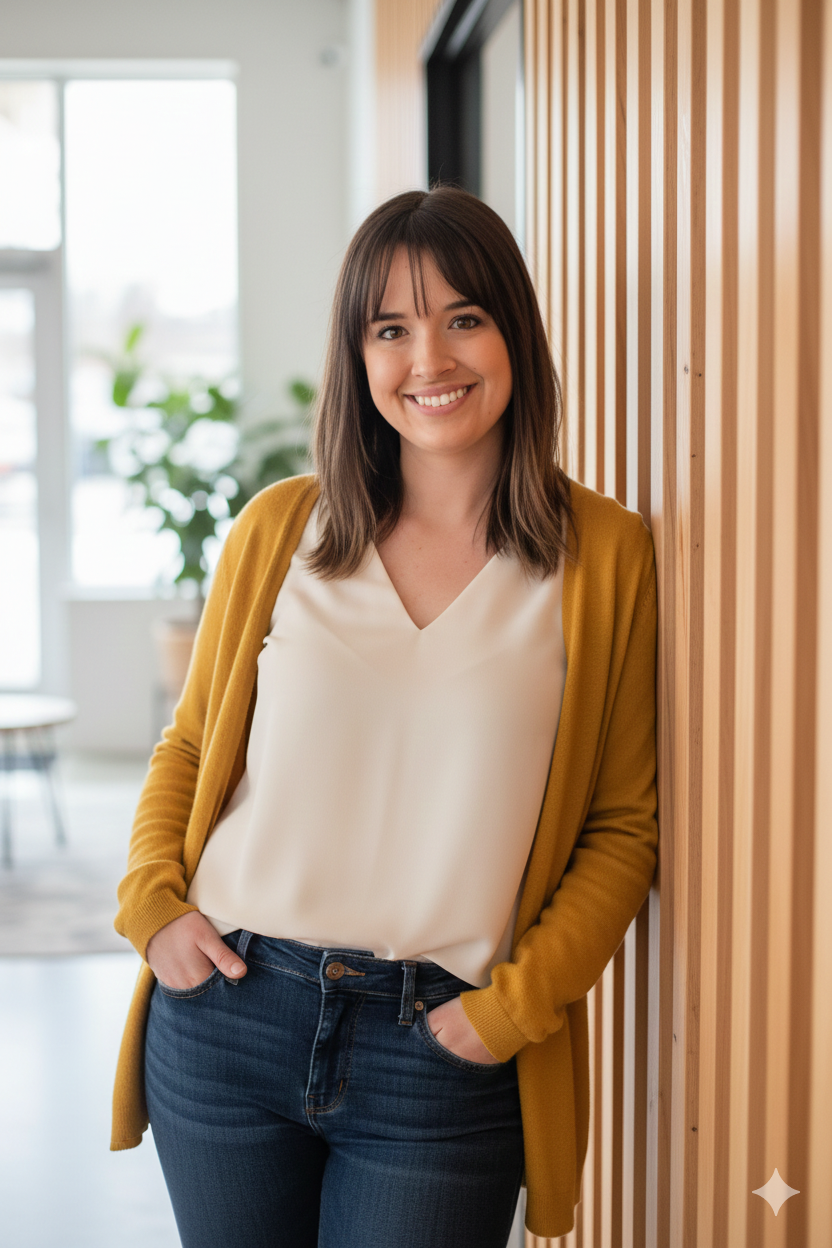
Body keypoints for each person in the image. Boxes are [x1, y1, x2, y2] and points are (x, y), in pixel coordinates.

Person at [111, 186, 658, 1246]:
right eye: (391, 329)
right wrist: (151, 904)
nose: (430, 361)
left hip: (439, 1053)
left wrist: (510, 1009)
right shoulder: (284, 529)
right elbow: (192, 743)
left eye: (464, 318)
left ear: (514, 334)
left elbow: (621, 825)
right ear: (358, 358)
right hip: (230, 1010)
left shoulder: (603, 556)